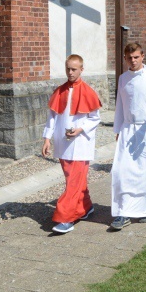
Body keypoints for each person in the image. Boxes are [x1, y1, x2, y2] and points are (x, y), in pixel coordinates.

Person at [110, 43, 146, 231]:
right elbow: (120, 105)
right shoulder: (122, 79)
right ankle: (123, 211)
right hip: (128, 128)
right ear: (125, 58)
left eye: (136, 57)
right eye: (129, 57)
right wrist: (118, 129)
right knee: (121, 171)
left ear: (143, 56)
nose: (133, 61)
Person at [42, 54, 102, 234]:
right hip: (62, 142)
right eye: (68, 68)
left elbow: (95, 118)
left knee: (73, 183)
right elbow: (52, 117)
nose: (70, 72)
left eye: (74, 69)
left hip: (81, 143)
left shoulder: (89, 91)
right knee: (73, 180)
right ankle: (86, 207)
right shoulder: (59, 91)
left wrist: (80, 129)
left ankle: (65, 218)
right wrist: (47, 138)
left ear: (81, 69)